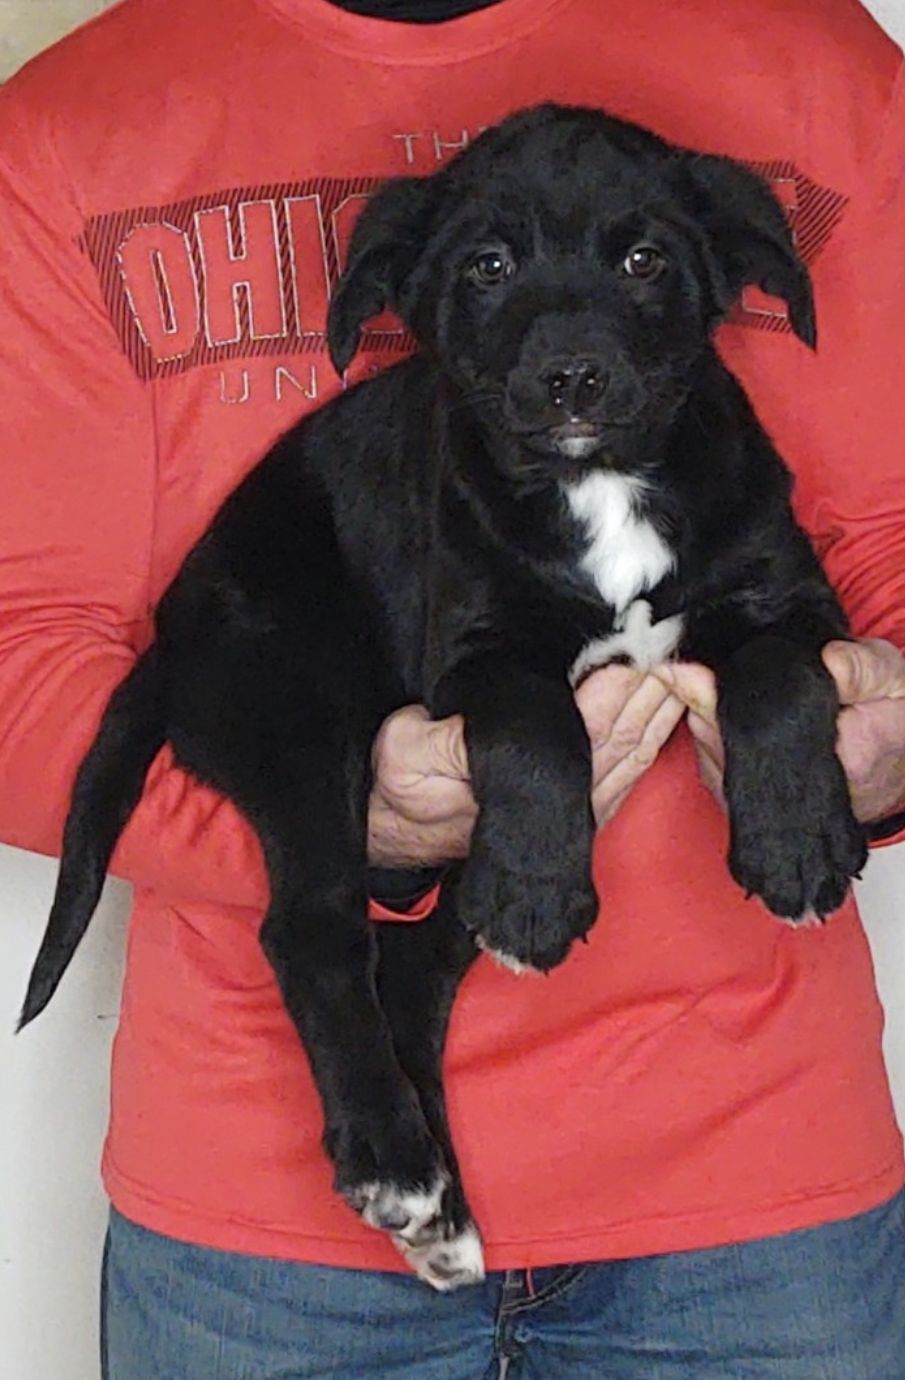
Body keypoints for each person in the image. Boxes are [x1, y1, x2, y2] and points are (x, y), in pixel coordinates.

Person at [1, 0, 904, 1375]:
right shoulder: (70, 130)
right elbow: (18, 654)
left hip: (755, 1205)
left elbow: (888, 543)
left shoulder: (814, 62)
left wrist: (884, 750)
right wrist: (343, 825)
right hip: (268, 1230)